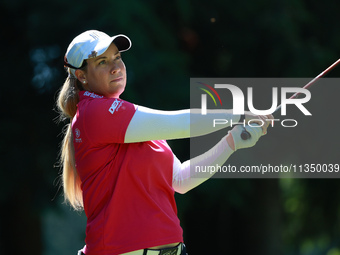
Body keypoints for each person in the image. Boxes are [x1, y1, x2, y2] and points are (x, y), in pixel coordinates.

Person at [57, 30, 271, 255]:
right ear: (82, 76)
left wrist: (232, 142)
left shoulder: (135, 122)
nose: (115, 67)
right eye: (102, 61)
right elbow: (179, 123)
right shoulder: (93, 111)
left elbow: (180, 179)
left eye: (117, 57)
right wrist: (238, 115)